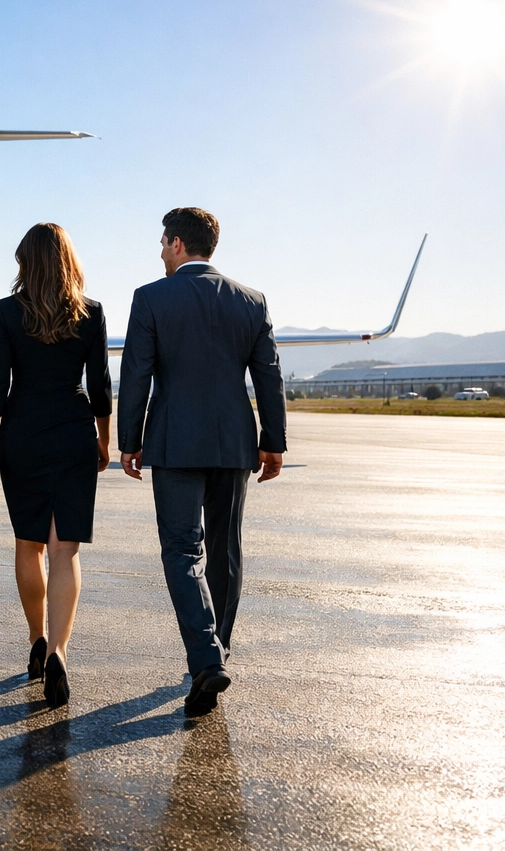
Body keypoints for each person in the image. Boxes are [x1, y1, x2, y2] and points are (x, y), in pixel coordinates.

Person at [117, 207, 286, 717]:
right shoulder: (251, 300)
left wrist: (129, 441)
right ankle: (218, 650)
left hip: (175, 443)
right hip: (233, 444)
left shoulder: (151, 298)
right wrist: (273, 441)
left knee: (182, 551)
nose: (160, 252)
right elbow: (269, 376)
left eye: (162, 243)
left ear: (176, 244)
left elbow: (136, 375)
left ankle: (207, 657)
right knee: (225, 549)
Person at [0, 223, 111, 708]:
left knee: (28, 542)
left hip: (23, 434)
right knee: (65, 549)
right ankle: (59, 651)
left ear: (25, 262)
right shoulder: (91, 312)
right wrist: (104, 440)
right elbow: (100, 386)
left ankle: (37, 640)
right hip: (74, 432)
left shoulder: (4, 312)